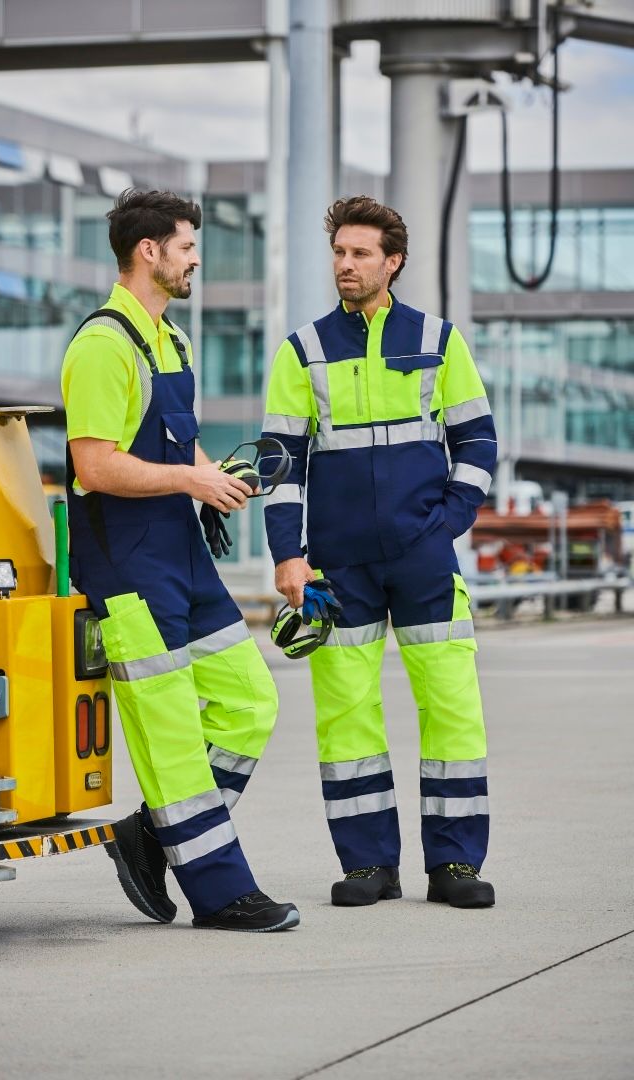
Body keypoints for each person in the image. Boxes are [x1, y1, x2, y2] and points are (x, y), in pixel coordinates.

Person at [61, 188, 299, 932]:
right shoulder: (101, 347)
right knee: (168, 734)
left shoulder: (175, 342)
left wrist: (215, 480)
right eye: (188, 246)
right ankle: (221, 892)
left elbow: (176, 445)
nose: (197, 259)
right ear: (149, 251)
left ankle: (149, 834)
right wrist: (191, 481)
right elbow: (94, 466)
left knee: (251, 701)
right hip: (127, 569)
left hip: (183, 554)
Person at [261, 195, 496, 909]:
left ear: (392, 262)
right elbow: (279, 465)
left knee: (452, 705)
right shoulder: (302, 350)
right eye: (339, 252)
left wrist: (445, 523)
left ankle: (455, 865)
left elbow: (478, 443)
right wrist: (288, 556)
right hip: (338, 565)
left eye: (360, 253)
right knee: (346, 713)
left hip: (423, 558)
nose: (346, 264)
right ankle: (368, 865)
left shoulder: (438, 340)